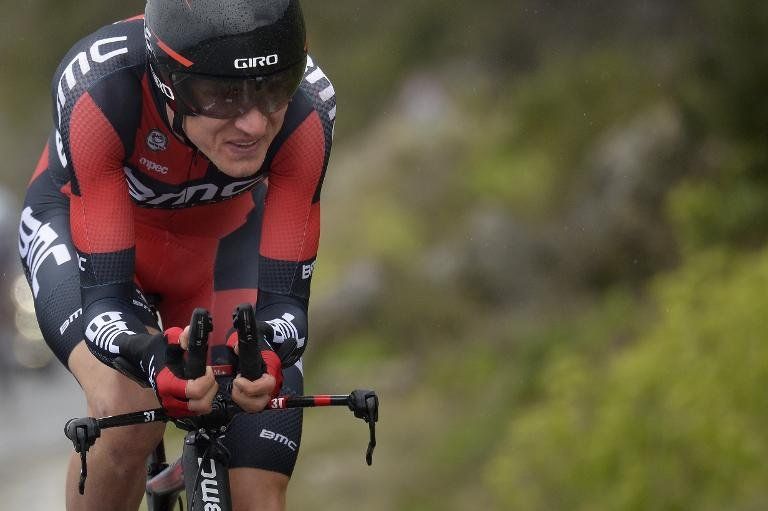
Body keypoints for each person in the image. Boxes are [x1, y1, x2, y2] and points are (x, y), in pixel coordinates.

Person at [17, 0, 336, 509]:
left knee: (259, 489)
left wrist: (268, 351)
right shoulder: (100, 87)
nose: (254, 124)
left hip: (220, 249)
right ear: (168, 82)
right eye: (222, 96)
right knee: (127, 410)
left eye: (274, 88)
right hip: (86, 236)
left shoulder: (310, 108)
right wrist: (147, 358)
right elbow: (105, 306)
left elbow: (287, 305)